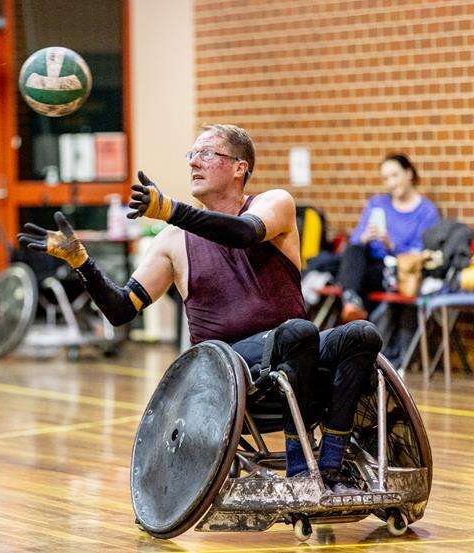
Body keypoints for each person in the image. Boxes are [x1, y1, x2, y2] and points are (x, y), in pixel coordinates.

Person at [19, 124, 383, 490]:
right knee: (300, 332)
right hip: (226, 368)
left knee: (362, 334)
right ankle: (301, 470)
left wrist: (169, 209)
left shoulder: (274, 203)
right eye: (191, 155)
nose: (194, 162)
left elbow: (242, 233)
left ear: (240, 167)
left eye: (206, 154)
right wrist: (81, 261)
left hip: (294, 351)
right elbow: (121, 309)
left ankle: (333, 464)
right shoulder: (172, 241)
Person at [339, 154, 440, 322]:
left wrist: (390, 244)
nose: (391, 183)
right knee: (354, 250)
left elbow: (419, 253)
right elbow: (355, 241)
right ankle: (351, 303)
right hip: (366, 261)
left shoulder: (427, 211)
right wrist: (365, 237)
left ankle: (353, 308)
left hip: (396, 268)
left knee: (357, 277)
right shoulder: (377, 203)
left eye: (395, 175)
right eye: (386, 179)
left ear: (408, 173)